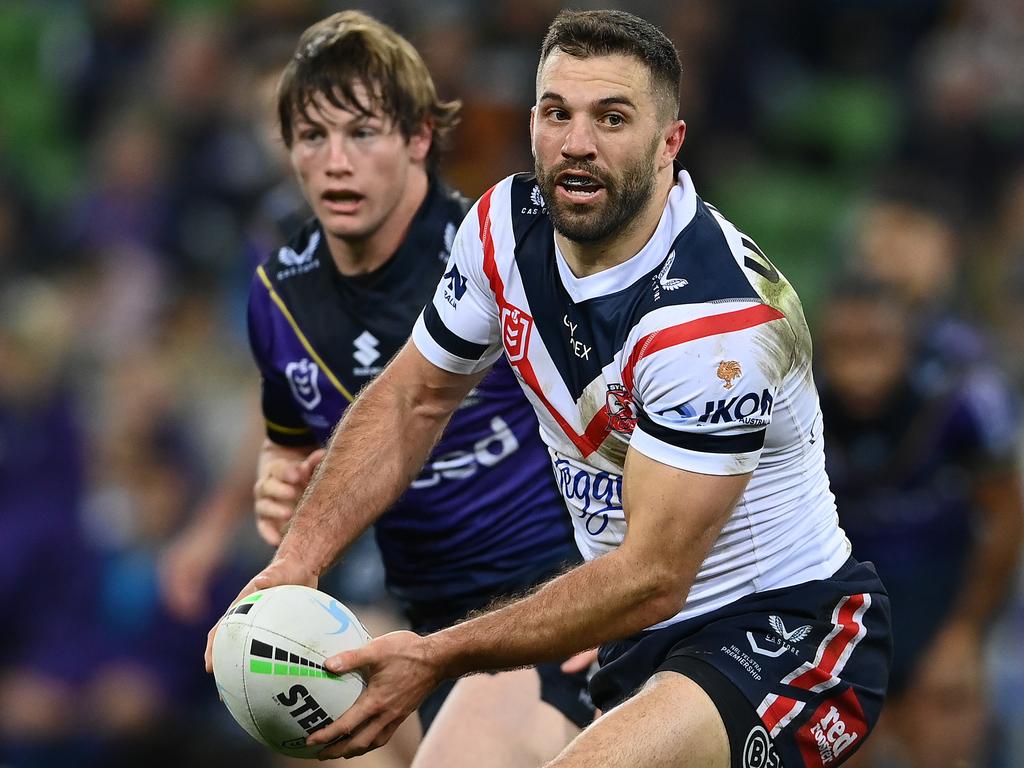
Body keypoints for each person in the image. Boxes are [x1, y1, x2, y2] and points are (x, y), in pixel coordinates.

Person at [210, 10, 892, 767]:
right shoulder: (503, 225)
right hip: (616, 628)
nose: (577, 143)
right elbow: (414, 398)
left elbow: (653, 578)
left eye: (612, 118)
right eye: (557, 113)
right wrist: (296, 562)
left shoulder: (714, 328)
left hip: (777, 631)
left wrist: (438, 655)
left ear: (670, 144)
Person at [214, 10, 595, 766]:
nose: (335, 163)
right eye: (312, 137)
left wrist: (619, 589)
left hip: (553, 614)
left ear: (420, 137)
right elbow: (292, 442)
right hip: (415, 627)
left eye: (362, 134)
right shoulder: (278, 298)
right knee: (314, 744)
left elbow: (632, 424)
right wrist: (276, 482)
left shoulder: (506, 254)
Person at [817, 278, 1022, 768]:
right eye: (845, 349)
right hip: (847, 619)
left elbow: (1007, 516)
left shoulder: (959, 405)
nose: (859, 369)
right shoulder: (800, 407)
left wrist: (966, 632)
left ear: (906, 344)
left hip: (944, 605)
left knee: (946, 728)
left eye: (875, 347)